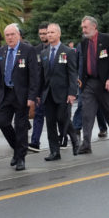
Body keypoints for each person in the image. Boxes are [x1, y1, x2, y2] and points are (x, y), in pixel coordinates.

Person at [0, 23, 40, 171]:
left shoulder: (28, 50)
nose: (10, 38)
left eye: (12, 35)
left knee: (21, 126)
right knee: (3, 123)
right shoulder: (2, 51)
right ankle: (17, 149)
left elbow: (34, 76)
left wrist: (31, 96)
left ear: (18, 35)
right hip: (6, 94)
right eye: (7, 35)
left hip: (22, 95)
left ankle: (21, 158)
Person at [77, 15, 109, 153]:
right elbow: (84, 62)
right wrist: (80, 80)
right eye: (83, 28)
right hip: (89, 83)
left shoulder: (107, 39)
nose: (83, 30)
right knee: (87, 113)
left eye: (85, 27)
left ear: (94, 26)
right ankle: (86, 144)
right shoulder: (84, 42)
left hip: (104, 83)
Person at [40, 22, 79, 160]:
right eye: (47, 32)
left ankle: (74, 139)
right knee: (50, 123)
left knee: (63, 119)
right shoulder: (44, 53)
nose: (49, 35)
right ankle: (54, 152)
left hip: (63, 93)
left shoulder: (68, 51)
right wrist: (39, 94)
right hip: (48, 94)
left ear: (59, 34)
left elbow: (72, 74)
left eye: (52, 32)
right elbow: (41, 75)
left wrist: (72, 93)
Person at [28, 23, 51, 152]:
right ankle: (35, 142)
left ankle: (67, 136)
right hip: (40, 89)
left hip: (54, 89)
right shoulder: (35, 50)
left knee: (59, 117)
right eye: (41, 34)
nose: (43, 36)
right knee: (38, 115)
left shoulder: (58, 49)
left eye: (45, 33)